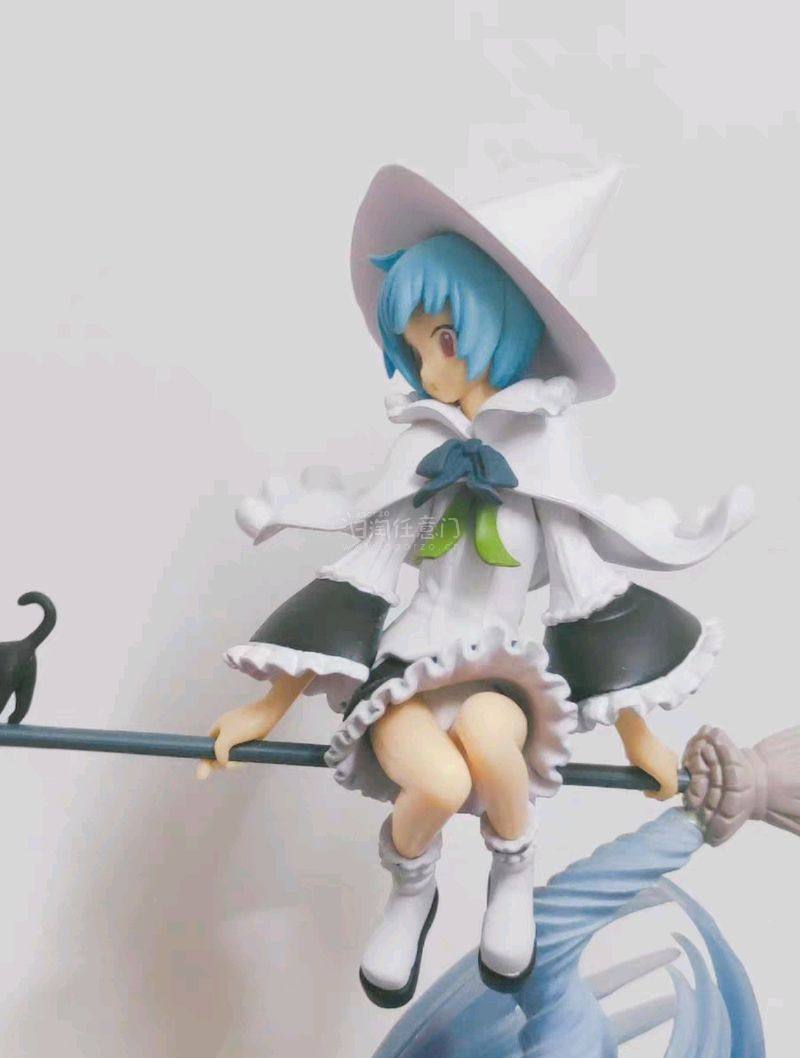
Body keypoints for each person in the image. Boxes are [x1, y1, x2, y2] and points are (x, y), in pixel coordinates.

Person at [199, 163, 752, 1007]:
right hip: (409, 674)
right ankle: (410, 890)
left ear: (495, 328)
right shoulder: (420, 460)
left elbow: (588, 599)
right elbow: (362, 579)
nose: (427, 367)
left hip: (496, 673)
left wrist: (638, 737)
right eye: (414, 347)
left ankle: (511, 876)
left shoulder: (544, 464)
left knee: (494, 742)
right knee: (440, 782)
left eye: (442, 340)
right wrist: (266, 707)